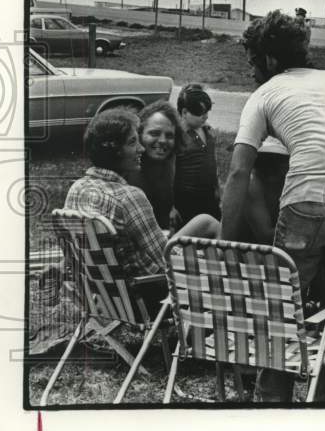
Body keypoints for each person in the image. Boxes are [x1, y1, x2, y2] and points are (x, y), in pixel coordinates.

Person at [221, 10, 325, 402]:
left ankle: (273, 404)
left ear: (269, 60)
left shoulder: (264, 93)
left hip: (307, 200)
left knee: (281, 312)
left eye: (254, 62)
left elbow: (238, 172)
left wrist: (226, 246)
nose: (253, 70)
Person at [65, 108, 220, 306]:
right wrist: (199, 257)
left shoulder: (77, 188)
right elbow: (167, 260)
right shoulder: (129, 196)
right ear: (114, 149)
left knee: (203, 222)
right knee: (208, 228)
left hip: (103, 294)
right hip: (145, 294)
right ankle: (215, 306)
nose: (140, 148)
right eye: (132, 142)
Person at [125, 100, 180, 230]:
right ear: (139, 134)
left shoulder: (170, 160)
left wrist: (173, 207)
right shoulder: (128, 166)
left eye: (169, 135)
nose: (163, 141)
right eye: (154, 133)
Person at [173, 84, 222, 221]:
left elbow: (213, 162)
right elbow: (169, 173)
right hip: (186, 201)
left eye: (207, 112)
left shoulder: (208, 131)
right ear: (184, 112)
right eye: (199, 113)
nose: (205, 116)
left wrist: (217, 188)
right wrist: (171, 206)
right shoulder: (176, 136)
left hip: (209, 197)